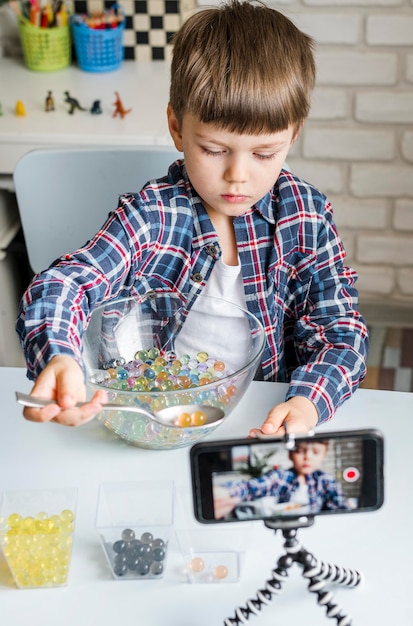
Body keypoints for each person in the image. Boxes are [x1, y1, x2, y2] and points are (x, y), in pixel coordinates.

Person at [16, 0, 368, 435]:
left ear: (293, 134)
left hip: (261, 415)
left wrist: (309, 402)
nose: (237, 175)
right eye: (214, 150)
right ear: (177, 128)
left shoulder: (306, 216)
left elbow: (341, 333)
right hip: (156, 417)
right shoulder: (155, 215)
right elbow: (63, 284)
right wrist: (60, 355)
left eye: (264, 153)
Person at [213, 441, 349, 519]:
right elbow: (253, 486)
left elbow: (340, 510)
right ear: (290, 454)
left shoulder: (326, 480)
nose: (307, 457)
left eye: (316, 452)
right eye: (300, 451)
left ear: (324, 455)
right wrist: (226, 492)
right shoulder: (282, 477)